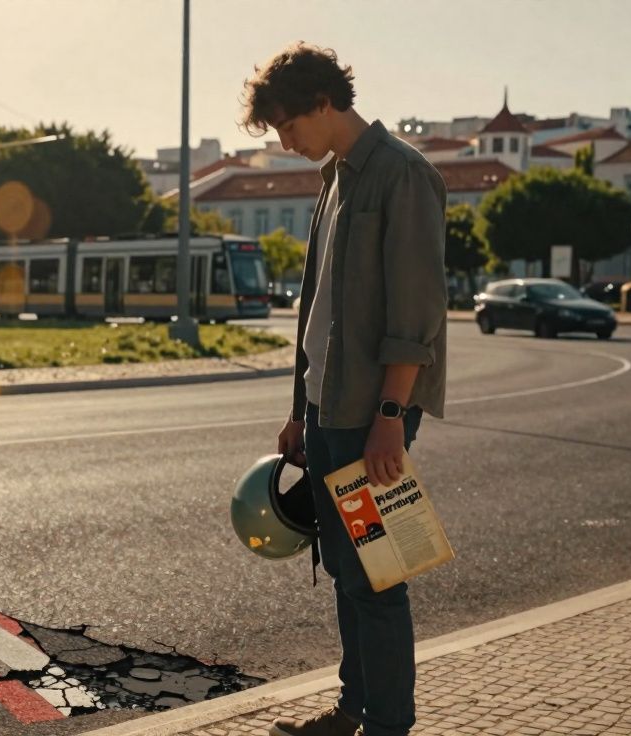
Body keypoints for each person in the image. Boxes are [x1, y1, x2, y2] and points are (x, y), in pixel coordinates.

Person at [240, 43, 448, 736]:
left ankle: (388, 721)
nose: (284, 141)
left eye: (288, 127)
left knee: (377, 576)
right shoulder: (333, 181)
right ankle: (354, 706)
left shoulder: (401, 175)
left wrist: (391, 415)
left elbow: (414, 316)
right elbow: (318, 310)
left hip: (369, 415)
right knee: (342, 570)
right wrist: (299, 410)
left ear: (324, 104)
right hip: (328, 411)